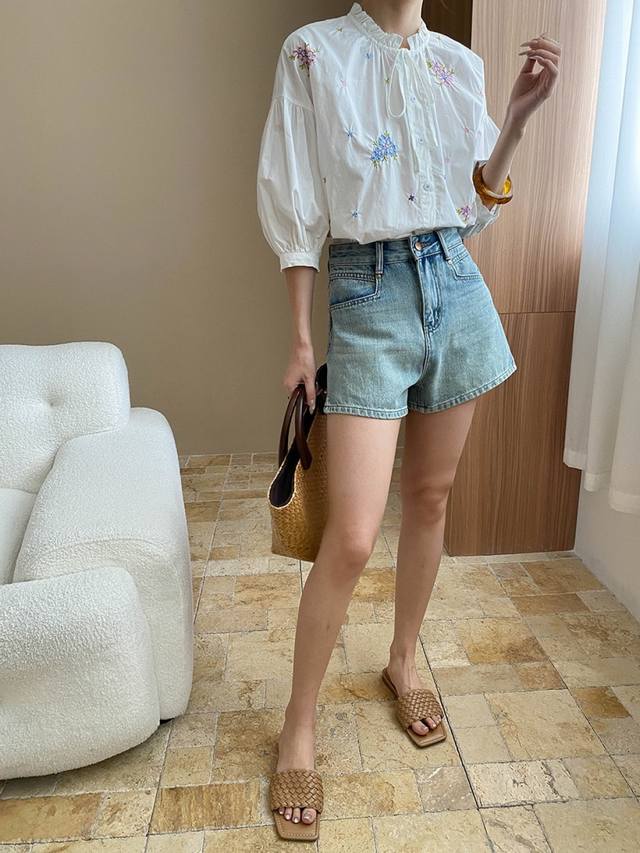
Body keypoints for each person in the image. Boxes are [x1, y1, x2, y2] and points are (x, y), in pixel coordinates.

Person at [256, 0, 559, 841]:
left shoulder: (459, 64)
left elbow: (476, 206)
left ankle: (402, 658)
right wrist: (301, 338)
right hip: (367, 291)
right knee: (352, 535)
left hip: (455, 285)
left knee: (430, 497)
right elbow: (297, 203)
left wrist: (518, 121)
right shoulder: (313, 53)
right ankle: (298, 724)